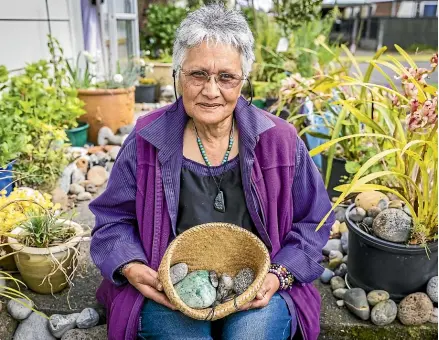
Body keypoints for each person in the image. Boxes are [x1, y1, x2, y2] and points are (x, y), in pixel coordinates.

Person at [90, 4, 334, 340]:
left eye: (226, 77)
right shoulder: (149, 138)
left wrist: (278, 274)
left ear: (242, 80)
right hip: (169, 289)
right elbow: (112, 220)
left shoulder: (279, 141)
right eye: (198, 74)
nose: (211, 90)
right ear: (179, 74)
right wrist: (131, 267)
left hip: (259, 287)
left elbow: (314, 221)